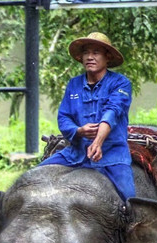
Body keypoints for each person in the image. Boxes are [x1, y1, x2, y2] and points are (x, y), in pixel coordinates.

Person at [40, 32, 136, 200]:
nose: (90, 57)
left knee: (129, 200)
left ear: (107, 58)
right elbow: (64, 117)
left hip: (112, 155)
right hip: (75, 153)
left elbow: (112, 112)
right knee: (34, 176)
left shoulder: (121, 83)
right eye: (86, 53)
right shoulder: (74, 84)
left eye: (96, 53)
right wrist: (78, 131)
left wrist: (98, 142)